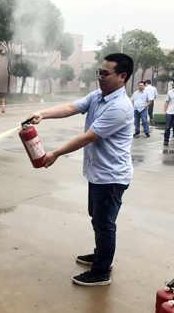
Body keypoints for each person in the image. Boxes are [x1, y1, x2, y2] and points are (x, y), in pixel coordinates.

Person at [27, 53, 134, 287]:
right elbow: (71, 107)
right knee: (98, 219)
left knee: (104, 223)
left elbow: (88, 137)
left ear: (122, 76)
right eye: (99, 72)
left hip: (111, 176)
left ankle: (101, 272)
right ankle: (102, 255)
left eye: (105, 73)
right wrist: (42, 114)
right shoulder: (99, 96)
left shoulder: (120, 107)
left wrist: (55, 153)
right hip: (98, 173)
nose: (100, 77)